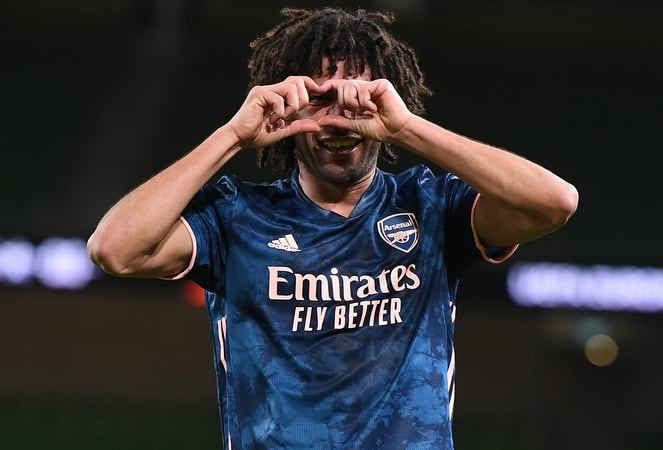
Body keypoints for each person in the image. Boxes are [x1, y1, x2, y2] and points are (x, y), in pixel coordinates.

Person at [88, 7, 578, 449]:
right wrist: (233, 135)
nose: (341, 118)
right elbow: (115, 249)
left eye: (359, 96)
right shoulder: (235, 215)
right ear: (286, 103)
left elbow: (554, 202)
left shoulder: (431, 205)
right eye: (319, 96)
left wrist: (406, 128)